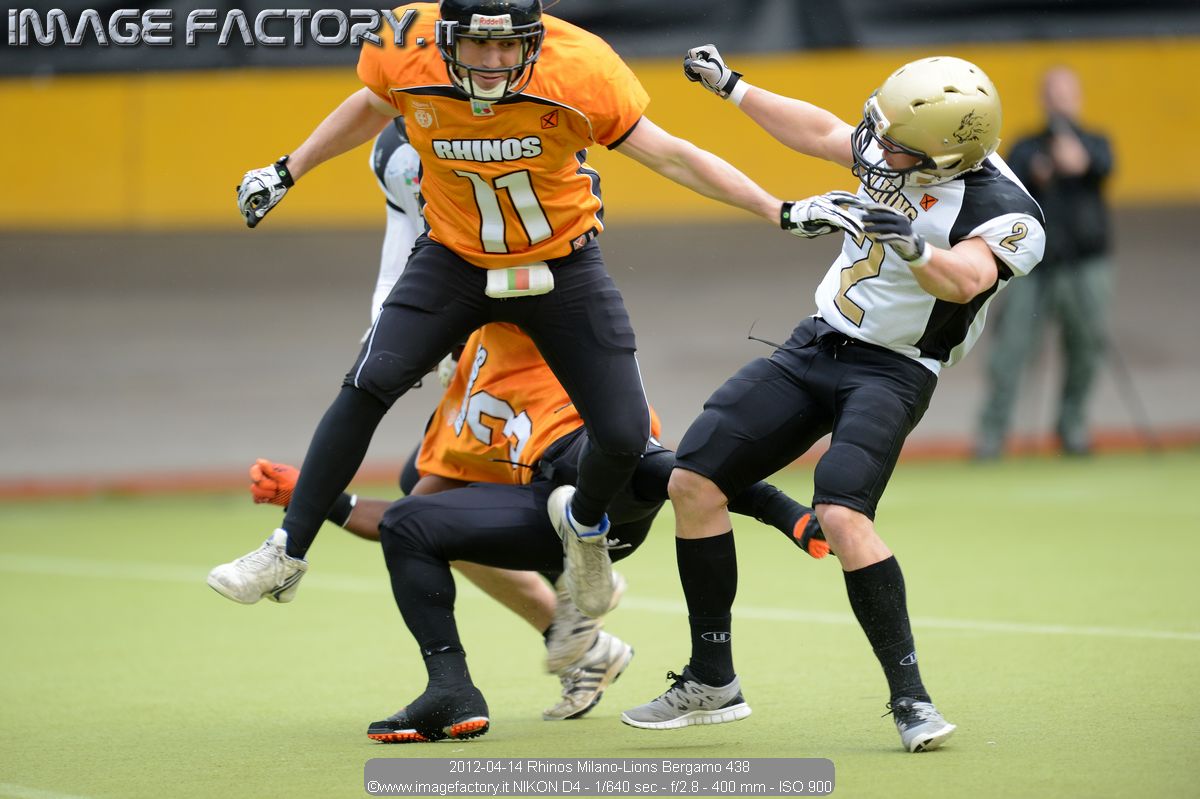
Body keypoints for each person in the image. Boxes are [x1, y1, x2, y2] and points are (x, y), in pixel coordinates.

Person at [208, 0, 786, 619]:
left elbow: (671, 155)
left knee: (622, 436)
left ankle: (584, 530)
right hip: (454, 258)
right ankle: (286, 551)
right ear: (445, 37)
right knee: (368, 383)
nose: (492, 60)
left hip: (561, 264)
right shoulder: (404, 44)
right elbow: (373, 104)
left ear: (533, 40)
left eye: (508, 45)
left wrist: (775, 208)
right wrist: (288, 168)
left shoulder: (580, 67)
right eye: (478, 44)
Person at [619, 50, 1045, 753]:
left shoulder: (1007, 212)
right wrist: (734, 88)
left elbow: (967, 280)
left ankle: (912, 699)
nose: (878, 150)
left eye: (897, 148)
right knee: (693, 481)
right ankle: (713, 679)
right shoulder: (902, 143)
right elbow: (821, 132)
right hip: (817, 343)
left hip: (895, 369)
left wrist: (914, 249)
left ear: (944, 156)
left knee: (843, 514)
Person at [249, 320, 828, 741]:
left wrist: (779, 509)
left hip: (601, 474)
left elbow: (530, 260)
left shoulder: (518, 317)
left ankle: (599, 538)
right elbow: (400, 520)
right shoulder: (456, 404)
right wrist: (313, 497)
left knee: (608, 460)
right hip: (545, 506)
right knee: (411, 522)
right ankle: (453, 690)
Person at [976, 66, 1115, 458]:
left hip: (1085, 265)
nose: (1060, 101)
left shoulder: (1095, 141)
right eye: (1054, 93)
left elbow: (1104, 167)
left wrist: (1080, 161)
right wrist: (1039, 170)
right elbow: (1006, 184)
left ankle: (1072, 428)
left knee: (1086, 347)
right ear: (1044, 98)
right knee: (1011, 347)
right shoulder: (1026, 146)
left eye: (1066, 93)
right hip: (1032, 267)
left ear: (1077, 98)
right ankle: (992, 435)